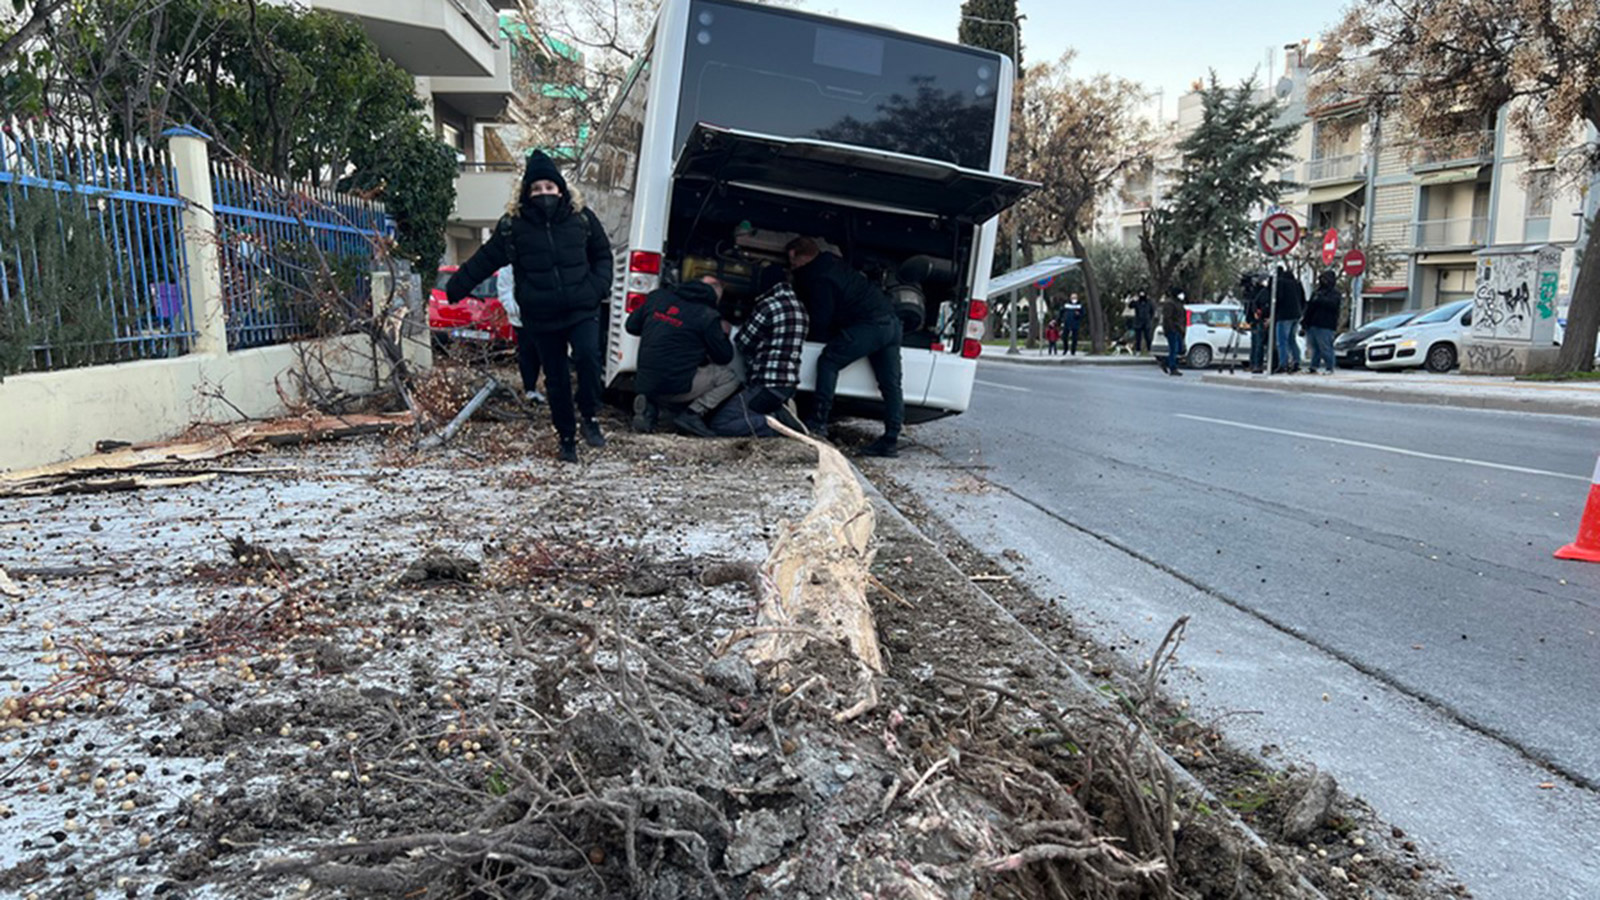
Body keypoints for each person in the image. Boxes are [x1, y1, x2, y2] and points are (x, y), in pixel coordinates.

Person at [445, 150, 613, 463]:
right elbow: (485, 259)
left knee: (589, 359)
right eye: (536, 189)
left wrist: (597, 288)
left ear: (560, 189)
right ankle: (566, 437)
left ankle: (589, 416)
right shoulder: (513, 226)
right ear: (526, 192)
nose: (543, 193)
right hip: (541, 315)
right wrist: (455, 287)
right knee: (556, 378)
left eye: (549, 187)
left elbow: (603, 255)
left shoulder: (581, 218)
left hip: (582, 307)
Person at [786, 236, 903, 458]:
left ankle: (818, 422)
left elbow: (822, 319)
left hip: (870, 325)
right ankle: (890, 439)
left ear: (802, 257)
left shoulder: (819, 277)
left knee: (829, 360)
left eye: (793, 262)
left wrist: (808, 337)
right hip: (892, 324)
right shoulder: (831, 261)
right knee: (890, 384)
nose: (792, 266)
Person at [625, 275, 739, 437]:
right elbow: (724, 357)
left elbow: (631, 326)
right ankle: (692, 414)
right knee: (729, 378)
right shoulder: (707, 316)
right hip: (677, 387)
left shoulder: (657, 298)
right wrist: (722, 334)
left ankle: (650, 405)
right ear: (715, 295)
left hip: (644, 381)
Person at [709, 264, 809, 437]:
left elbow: (744, 342)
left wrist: (730, 329)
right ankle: (775, 416)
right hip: (787, 386)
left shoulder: (769, 305)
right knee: (749, 412)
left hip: (765, 386)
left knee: (721, 423)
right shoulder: (801, 308)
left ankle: (776, 425)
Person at [496, 265, 544, 404]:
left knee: (545, 353)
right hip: (522, 319)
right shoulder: (509, 266)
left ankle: (551, 389)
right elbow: (505, 290)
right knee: (528, 354)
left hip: (544, 316)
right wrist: (516, 310)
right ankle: (530, 388)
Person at [1303, 270, 1342, 375]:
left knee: (1325, 347)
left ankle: (1330, 367)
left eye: (1325, 279)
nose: (1323, 281)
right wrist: (1305, 322)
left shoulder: (1335, 293)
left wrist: (1320, 299)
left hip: (1326, 324)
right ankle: (1313, 366)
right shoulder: (1316, 292)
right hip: (1313, 323)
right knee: (1315, 348)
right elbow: (1309, 308)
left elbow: (1333, 305)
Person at [1270, 265, 1305, 373]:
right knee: (1291, 340)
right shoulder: (1297, 284)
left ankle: (1283, 363)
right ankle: (1296, 361)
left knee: (1282, 341)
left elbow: (1278, 298)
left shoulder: (1281, 283)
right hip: (1296, 315)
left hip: (1284, 315)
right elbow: (1303, 299)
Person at [1243, 271, 1271, 373]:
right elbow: (1252, 304)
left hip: (1259, 320)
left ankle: (1256, 364)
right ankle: (1255, 364)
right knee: (1257, 343)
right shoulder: (1258, 292)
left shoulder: (1261, 291)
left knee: (1258, 343)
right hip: (1257, 320)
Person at [1158, 289, 1186, 376]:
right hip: (1172, 329)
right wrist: (1171, 328)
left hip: (1179, 329)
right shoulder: (1170, 304)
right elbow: (1167, 318)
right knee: (1174, 349)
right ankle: (1173, 368)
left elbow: (1182, 317)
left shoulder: (1179, 303)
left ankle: (1165, 362)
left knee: (1180, 349)